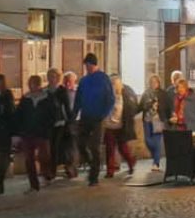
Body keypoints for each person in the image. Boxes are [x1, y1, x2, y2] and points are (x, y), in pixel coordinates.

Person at [73, 54, 113, 186]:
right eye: (86, 66)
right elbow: (78, 99)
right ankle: (91, 163)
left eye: (88, 65)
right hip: (85, 116)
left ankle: (93, 176)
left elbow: (110, 98)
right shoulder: (84, 81)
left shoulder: (103, 79)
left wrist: (104, 113)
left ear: (93, 64)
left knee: (95, 146)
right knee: (81, 143)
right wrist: (73, 115)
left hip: (98, 118)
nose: (87, 68)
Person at [16, 75, 58, 191]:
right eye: (30, 84)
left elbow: (53, 114)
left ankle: (46, 175)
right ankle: (33, 185)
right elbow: (19, 115)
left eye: (33, 84)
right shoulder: (25, 99)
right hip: (27, 132)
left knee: (44, 156)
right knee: (29, 159)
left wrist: (47, 126)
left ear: (39, 85)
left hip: (42, 132)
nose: (31, 87)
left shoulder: (47, 98)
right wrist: (19, 131)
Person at [103, 76, 139, 178]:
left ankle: (131, 162)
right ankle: (110, 171)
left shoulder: (125, 96)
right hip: (110, 126)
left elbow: (131, 109)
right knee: (109, 149)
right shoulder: (108, 96)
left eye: (116, 84)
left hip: (121, 127)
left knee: (123, 149)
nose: (114, 86)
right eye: (112, 84)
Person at [50, 70, 76, 179]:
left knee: (67, 148)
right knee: (54, 147)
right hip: (51, 123)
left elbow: (67, 108)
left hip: (64, 122)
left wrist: (70, 121)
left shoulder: (63, 91)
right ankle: (53, 170)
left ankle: (68, 169)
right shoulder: (47, 91)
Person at [143, 73, 170, 171]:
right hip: (147, 119)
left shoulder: (163, 93)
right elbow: (141, 105)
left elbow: (167, 106)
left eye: (155, 82)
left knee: (157, 141)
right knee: (147, 140)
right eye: (151, 82)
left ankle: (156, 163)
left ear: (158, 82)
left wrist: (168, 118)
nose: (153, 83)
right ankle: (156, 153)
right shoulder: (146, 93)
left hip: (158, 120)